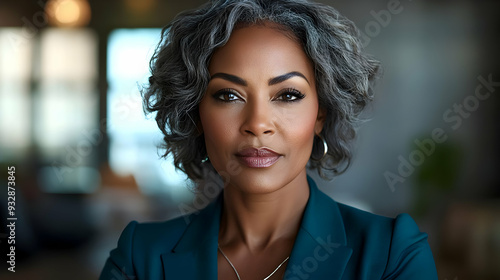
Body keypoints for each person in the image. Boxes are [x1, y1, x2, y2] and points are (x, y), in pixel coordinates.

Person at [100, 0, 438, 279]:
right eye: (229, 95)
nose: (258, 124)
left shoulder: (392, 254)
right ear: (196, 114)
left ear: (321, 114)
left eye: (288, 95)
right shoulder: (139, 259)